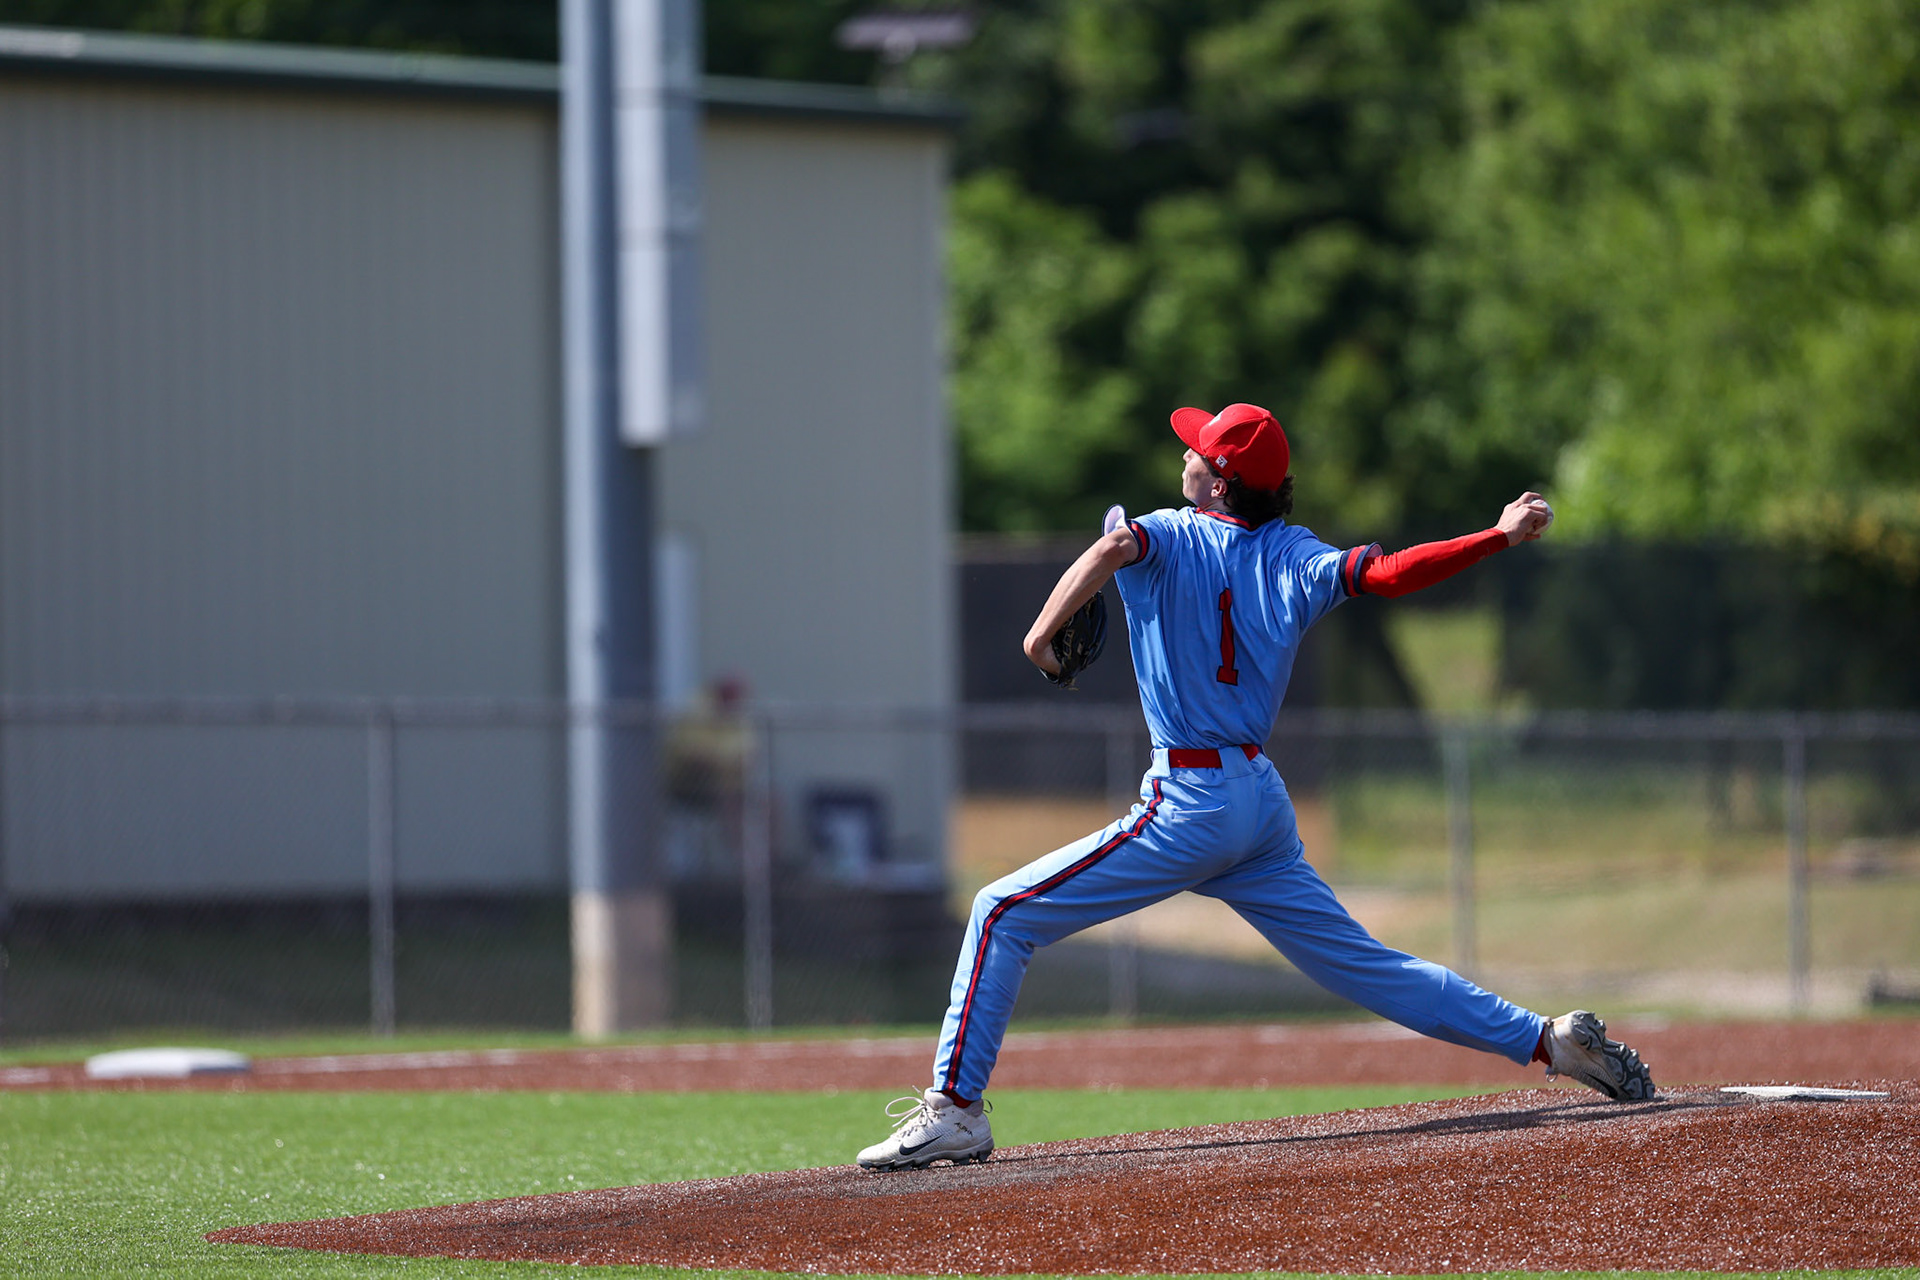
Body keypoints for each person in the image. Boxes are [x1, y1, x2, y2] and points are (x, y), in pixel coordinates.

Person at [856, 402, 1655, 1172]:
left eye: (1199, 451)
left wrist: (1038, 638)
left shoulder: (1167, 535)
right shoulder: (1297, 555)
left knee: (1000, 912)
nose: (1185, 454)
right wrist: (1497, 535)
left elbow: (1108, 551)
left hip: (1190, 803)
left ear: (1221, 482)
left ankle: (956, 1110)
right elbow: (1389, 573)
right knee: (1366, 967)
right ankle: (1549, 1041)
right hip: (1257, 803)